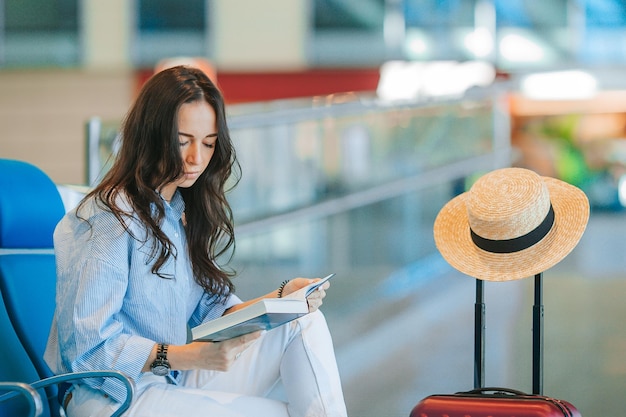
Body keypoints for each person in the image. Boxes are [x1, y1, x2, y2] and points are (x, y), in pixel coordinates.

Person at [44, 66, 348, 417]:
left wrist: (283, 298)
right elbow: (86, 348)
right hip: (112, 398)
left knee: (303, 321)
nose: (196, 159)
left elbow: (215, 311)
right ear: (152, 134)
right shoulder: (109, 217)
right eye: (183, 141)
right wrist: (188, 355)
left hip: (169, 379)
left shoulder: (176, 215)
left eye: (208, 143)